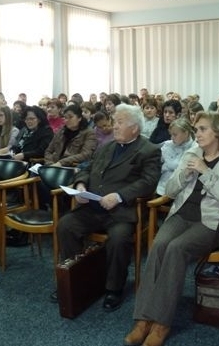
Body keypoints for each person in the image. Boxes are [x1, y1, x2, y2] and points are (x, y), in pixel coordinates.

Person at [124, 112, 219, 346]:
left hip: (212, 221)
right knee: (159, 245)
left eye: (202, 129)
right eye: (196, 129)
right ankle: (142, 320)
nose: (196, 134)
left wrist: (206, 172)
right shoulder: (192, 153)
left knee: (176, 249)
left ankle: (161, 324)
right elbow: (169, 191)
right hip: (182, 214)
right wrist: (183, 174)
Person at [55, 104, 161, 312]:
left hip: (121, 212)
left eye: (120, 122)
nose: (114, 126)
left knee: (119, 239)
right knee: (66, 225)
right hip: (92, 206)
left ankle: (114, 287)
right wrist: (80, 185)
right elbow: (87, 168)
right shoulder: (107, 147)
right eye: (115, 121)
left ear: (135, 128)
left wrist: (120, 196)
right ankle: (77, 277)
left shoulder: (149, 150)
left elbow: (149, 182)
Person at [156, 117, 195, 195]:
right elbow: (156, 162)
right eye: (171, 134)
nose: (172, 138)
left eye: (175, 135)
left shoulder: (194, 149)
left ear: (186, 133)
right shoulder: (167, 144)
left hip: (181, 191)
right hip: (160, 186)